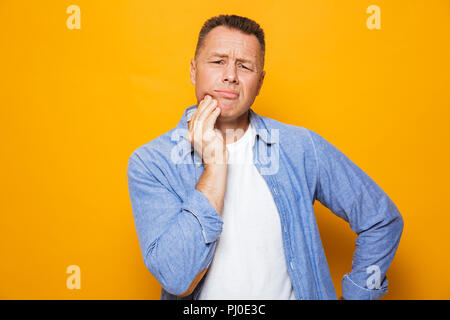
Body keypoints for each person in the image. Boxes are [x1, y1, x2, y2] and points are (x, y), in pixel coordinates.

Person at [127, 14, 404, 300]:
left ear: (259, 83)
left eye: (244, 66)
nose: (230, 75)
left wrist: (358, 294)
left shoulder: (301, 147)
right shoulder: (151, 163)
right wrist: (215, 167)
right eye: (218, 61)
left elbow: (381, 219)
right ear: (194, 71)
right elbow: (176, 278)